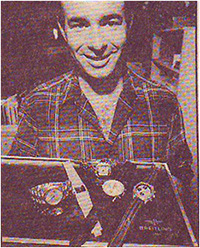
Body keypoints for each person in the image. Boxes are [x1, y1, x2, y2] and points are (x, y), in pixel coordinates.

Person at [9, 1, 194, 245]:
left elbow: (184, 193)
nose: (97, 45)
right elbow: (13, 196)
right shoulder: (39, 104)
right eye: (79, 25)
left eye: (110, 22)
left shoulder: (163, 103)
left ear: (128, 25)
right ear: (63, 32)